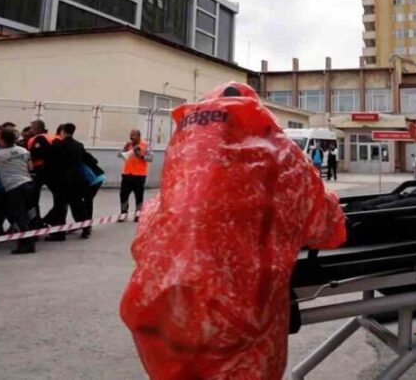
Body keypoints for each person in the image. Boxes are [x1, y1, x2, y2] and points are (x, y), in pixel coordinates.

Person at [121, 82, 346, 380]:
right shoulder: (280, 156)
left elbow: (151, 230)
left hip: (157, 312)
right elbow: (326, 228)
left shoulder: (182, 163)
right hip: (239, 320)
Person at [0, 126, 38, 255]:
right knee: (23, 214)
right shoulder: (23, 150)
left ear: (3, 140)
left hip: (15, 186)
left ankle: (27, 244)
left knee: (17, 216)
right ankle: (28, 239)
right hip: (28, 183)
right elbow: (30, 167)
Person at [118, 129, 151, 222]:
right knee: (123, 195)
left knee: (139, 196)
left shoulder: (145, 145)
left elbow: (151, 158)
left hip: (139, 176)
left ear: (139, 136)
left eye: (133, 135)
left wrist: (141, 156)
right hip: (127, 174)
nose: (131, 137)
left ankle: (138, 215)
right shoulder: (128, 145)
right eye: (131, 135)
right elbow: (119, 155)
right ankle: (123, 213)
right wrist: (124, 149)